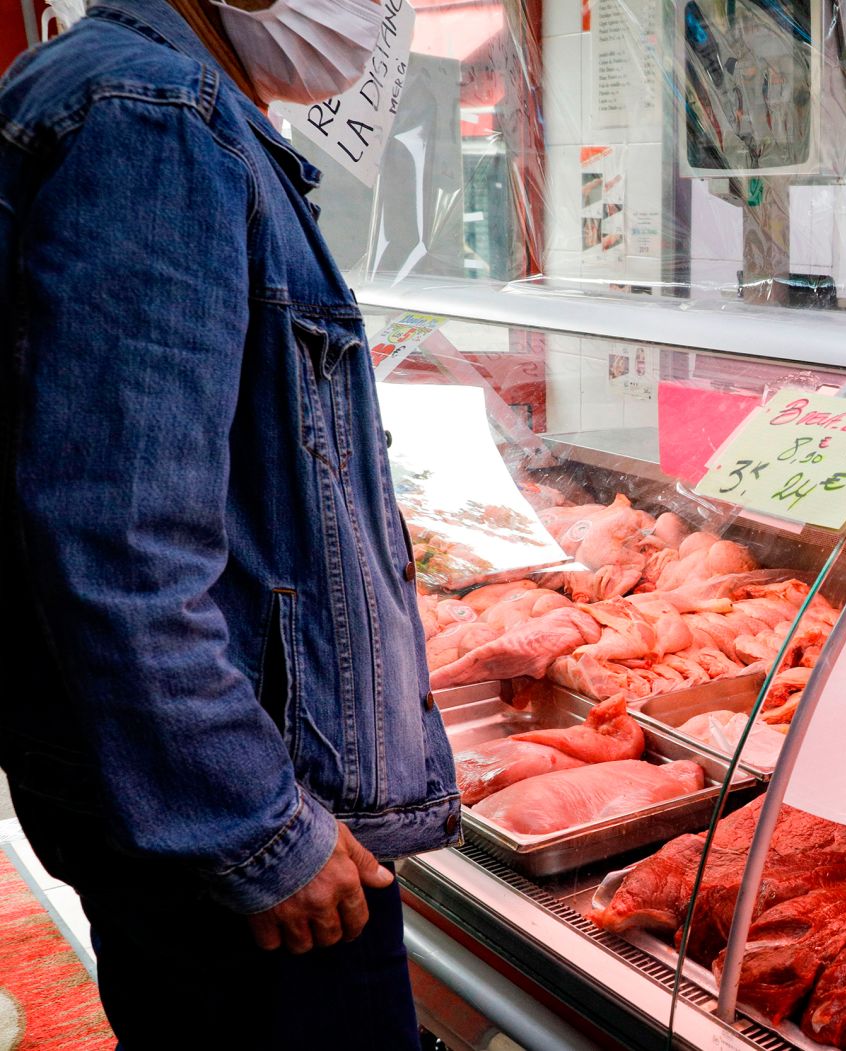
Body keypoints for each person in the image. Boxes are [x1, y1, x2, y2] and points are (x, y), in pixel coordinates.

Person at [0, 1, 459, 1048]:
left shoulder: (123, 95)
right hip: (235, 821)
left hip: (169, 789)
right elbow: (119, 535)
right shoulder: (154, 114)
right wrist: (258, 828)